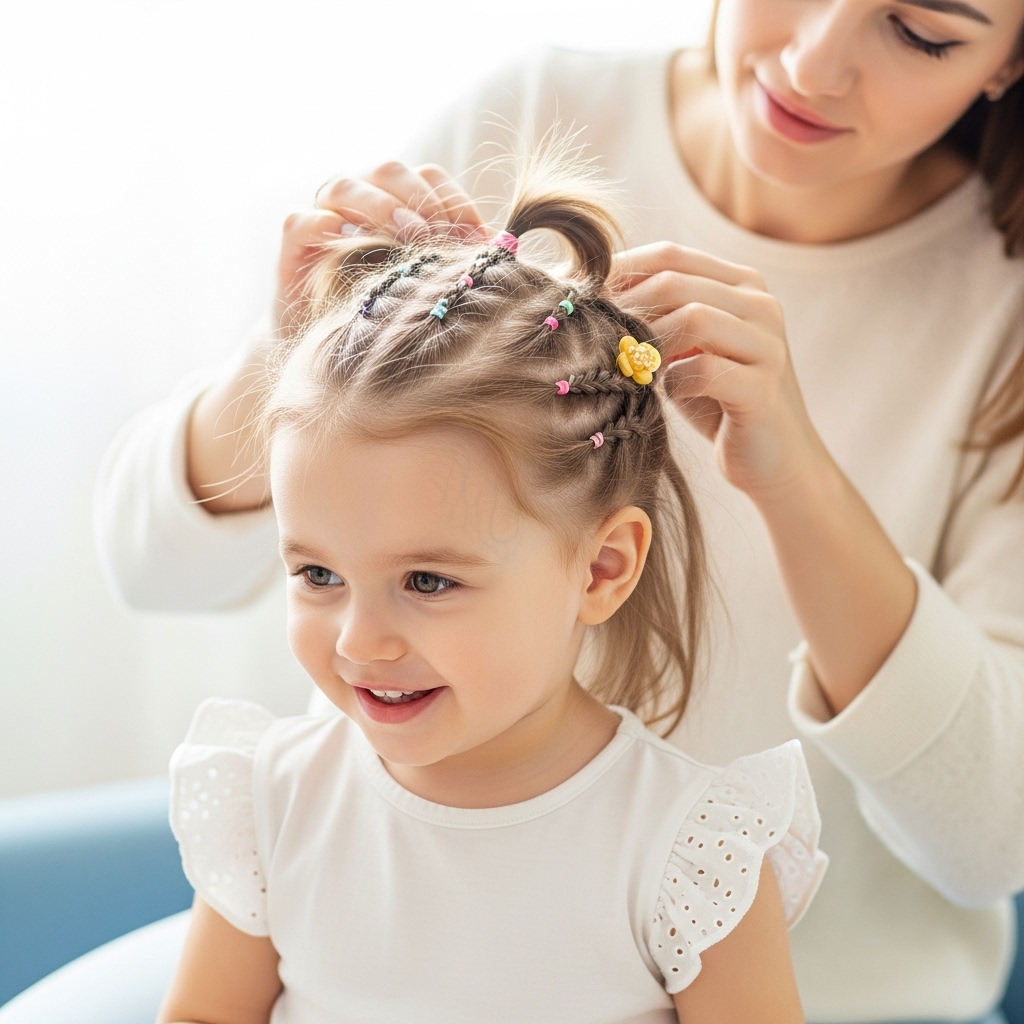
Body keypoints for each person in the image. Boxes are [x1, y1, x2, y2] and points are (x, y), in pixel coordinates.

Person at [95, 1, 1024, 1021]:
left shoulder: (692, 843)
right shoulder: (537, 110)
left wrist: (795, 478)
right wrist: (283, 359)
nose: (810, 64)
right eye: (317, 575)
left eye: (920, 31)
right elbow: (149, 570)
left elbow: (991, 839)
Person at [156, 180, 829, 1024]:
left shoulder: (686, 850)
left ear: (601, 569)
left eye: (428, 582)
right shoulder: (276, 800)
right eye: (317, 576)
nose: (361, 643)